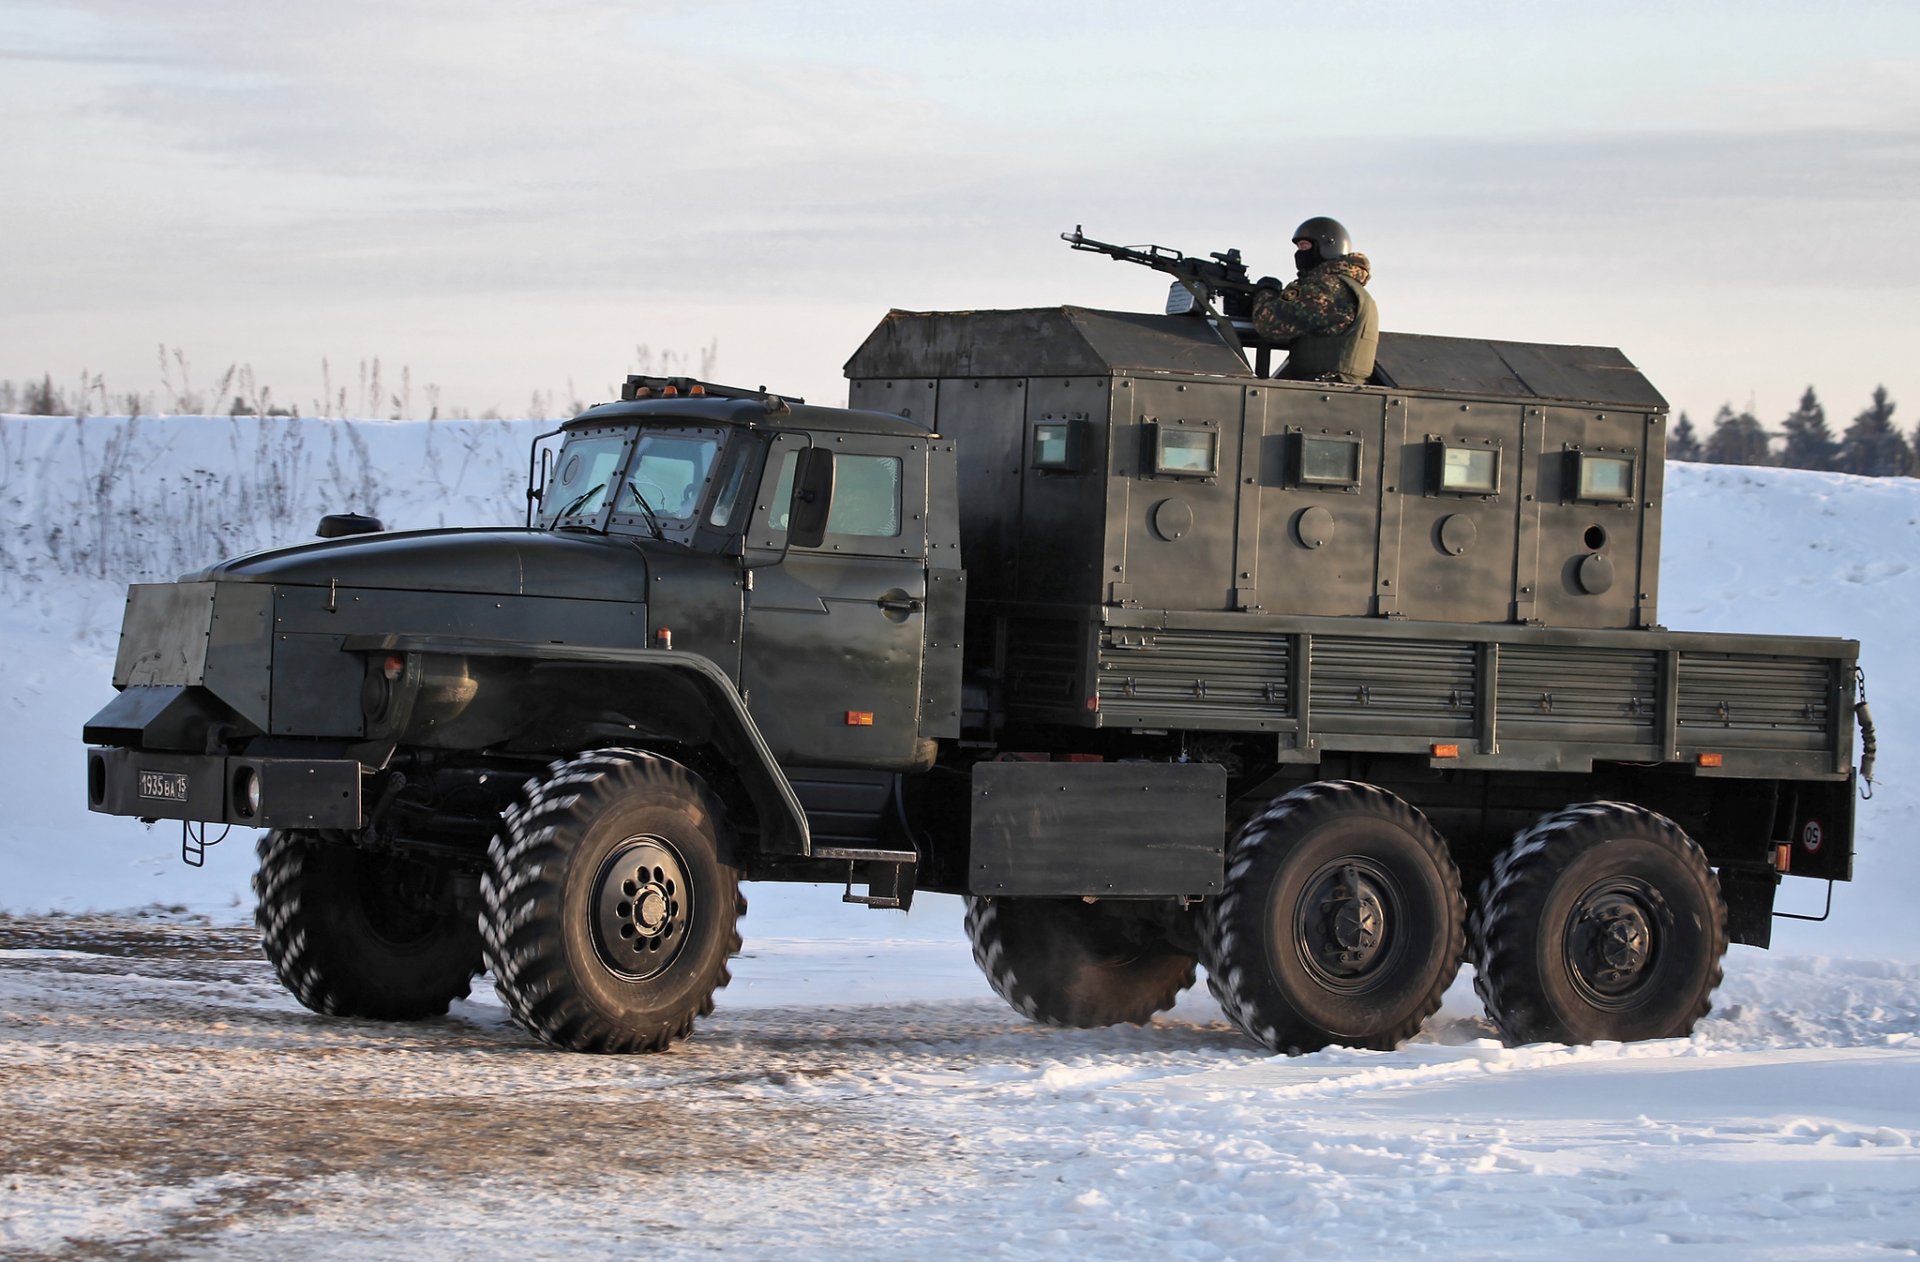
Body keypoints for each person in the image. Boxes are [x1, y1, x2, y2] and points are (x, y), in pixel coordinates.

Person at [1251, 216, 1378, 384]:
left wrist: (1265, 291)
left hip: (1325, 389)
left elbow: (1268, 323)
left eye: (1305, 246)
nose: (1299, 253)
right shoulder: (1348, 287)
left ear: (1327, 246)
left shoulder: (1327, 289)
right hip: (1336, 388)